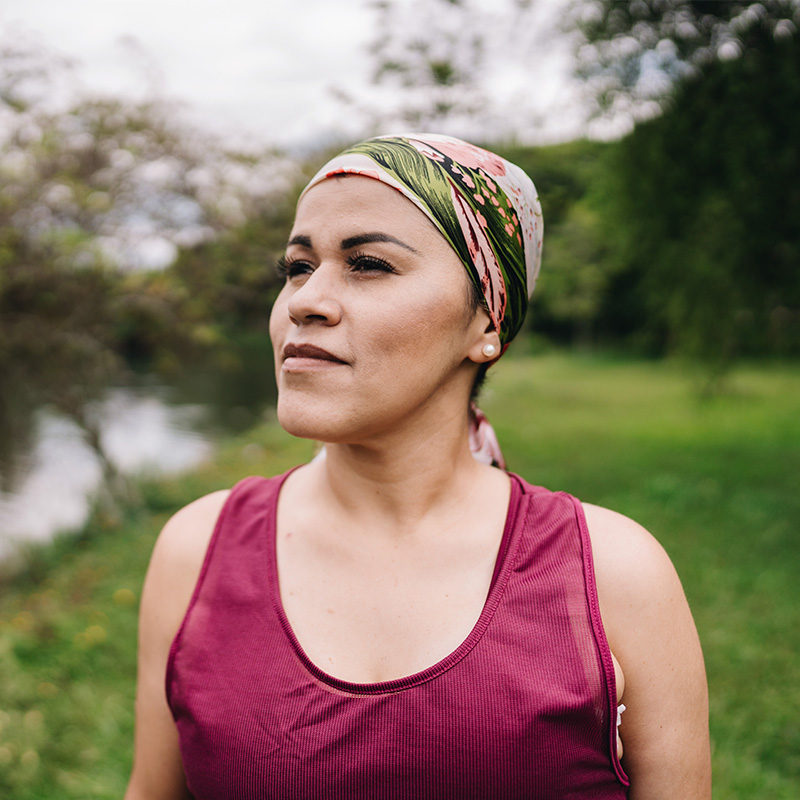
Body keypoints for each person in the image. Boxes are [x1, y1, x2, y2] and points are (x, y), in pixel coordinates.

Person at [124, 134, 711, 799]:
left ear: (486, 323)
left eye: (368, 263)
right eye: (296, 266)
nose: (303, 302)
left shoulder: (614, 575)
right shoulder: (196, 551)